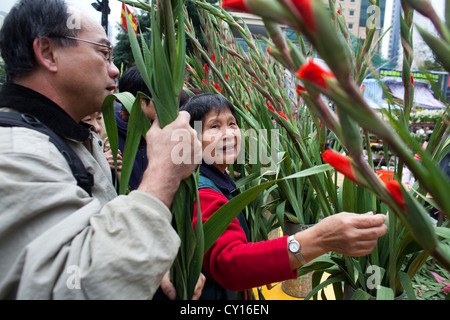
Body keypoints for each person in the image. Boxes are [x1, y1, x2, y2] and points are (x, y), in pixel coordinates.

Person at [0, 0, 203, 299]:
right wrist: (163, 172)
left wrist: (150, 259)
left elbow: (90, 242)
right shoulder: (16, 153)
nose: (113, 70)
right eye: (103, 53)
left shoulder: (70, 139)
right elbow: (79, 287)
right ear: (47, 53)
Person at [181, 93, 388, 299]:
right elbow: (229, 263)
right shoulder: (202, 192)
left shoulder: (215, 175)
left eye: (232, 124)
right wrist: (321, 238)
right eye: (214, 127)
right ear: (192, 138)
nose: (228, 134)